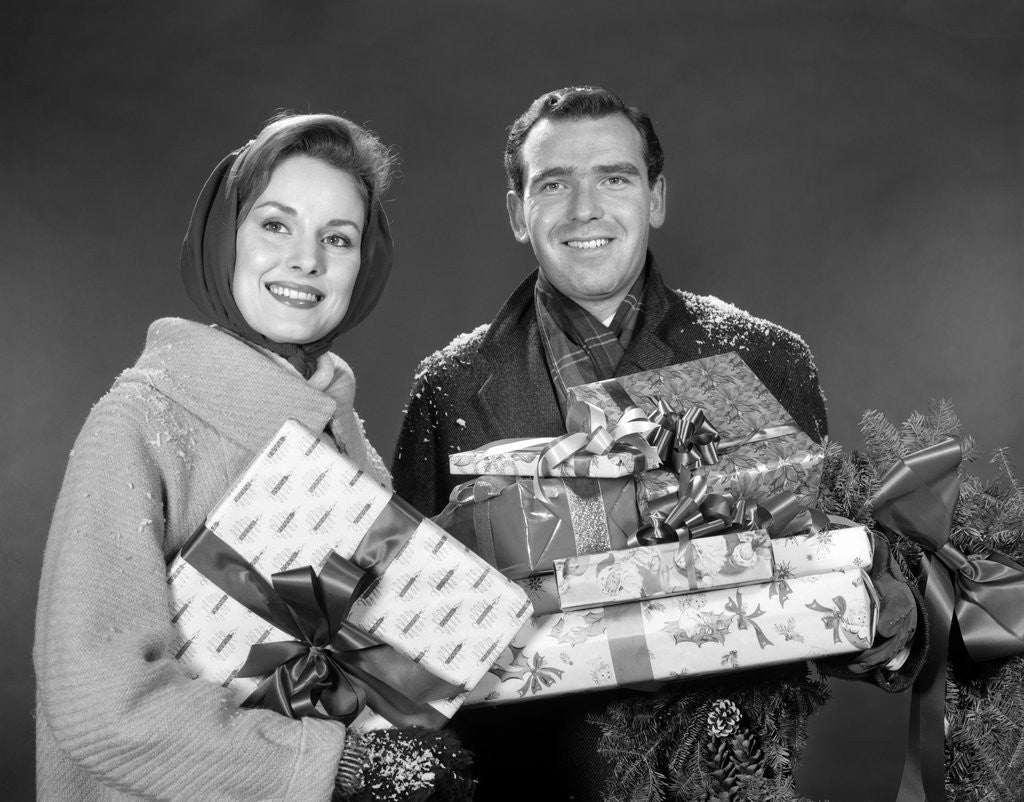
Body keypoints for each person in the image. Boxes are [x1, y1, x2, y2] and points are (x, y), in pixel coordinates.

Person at [391, 86, 919, 799]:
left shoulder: (766, 360)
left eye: (614, 178)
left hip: (719, 778)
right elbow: (411, 625)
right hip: (526, 779)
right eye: (554, 184)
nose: (585, 210)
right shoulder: (449, 387)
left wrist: (883, 603)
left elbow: (802, 592)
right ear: (519, 213)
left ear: (656, 198)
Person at [34, 113, 398, 800]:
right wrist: (336, 766)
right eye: (275, 225)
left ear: (364, 264)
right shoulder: (141, 420)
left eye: (338, 239)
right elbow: (98, 703)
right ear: (224, 235)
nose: (306, 260)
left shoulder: (341, 428)